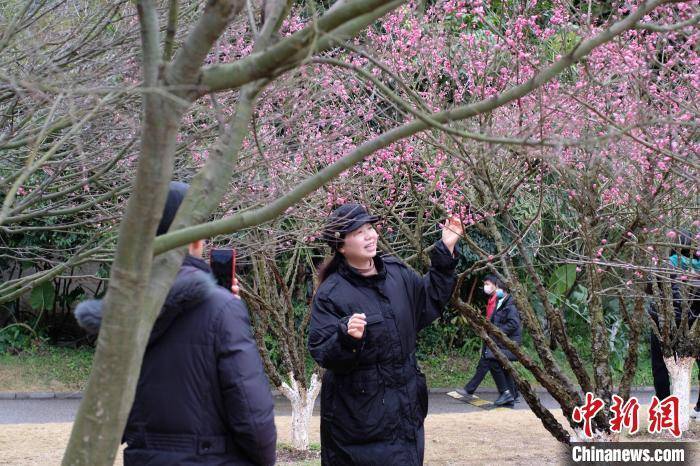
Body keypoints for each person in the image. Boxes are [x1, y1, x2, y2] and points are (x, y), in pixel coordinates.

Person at [74, 181, 276, 466]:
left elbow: (108, 409)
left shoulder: (122, 313)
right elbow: (252, 412)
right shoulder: (221, 309)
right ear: (195, 239)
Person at [308, 203, 462, 465]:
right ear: (341, 246)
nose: (370, 236)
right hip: (358, 426)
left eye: (370, 228)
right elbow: (322, 351)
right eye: (359, 232)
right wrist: (345, 337)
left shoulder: (397, 273)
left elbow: (428, 301)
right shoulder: (332, 293)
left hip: (405, 415)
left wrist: (445, 249)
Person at [648, 230, 700, 418]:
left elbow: (649, 288)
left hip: (663, 322)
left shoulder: (663, 265)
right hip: (692, 322)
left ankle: (664, 409)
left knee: (660, 365)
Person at [458, 275, 521, 407]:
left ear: (502, 289)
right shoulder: (500, 301)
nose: (494, 290)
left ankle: (506, 393)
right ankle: (509, 395)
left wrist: (495, 332)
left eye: (497, 287)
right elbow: (492, 322)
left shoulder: (510, 304)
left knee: (491, 358)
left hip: (510, 346)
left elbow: (513, 324)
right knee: (500, 365)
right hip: (501, 343)